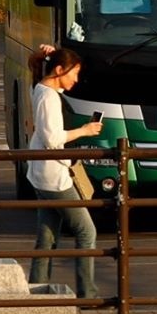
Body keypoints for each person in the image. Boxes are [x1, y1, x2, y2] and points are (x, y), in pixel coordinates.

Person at [27, 47, 102, 299]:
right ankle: (87, 293)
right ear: (59, 71)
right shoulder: (49, 97)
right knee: (86, 231)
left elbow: (38, 69)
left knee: (46, 236)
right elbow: (52, 139)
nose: (76, 79)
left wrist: (44, 54)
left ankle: (36, 290)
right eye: (75, 73)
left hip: (40, 174)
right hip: (54, 177)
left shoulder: (40, 88)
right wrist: (85, 130)